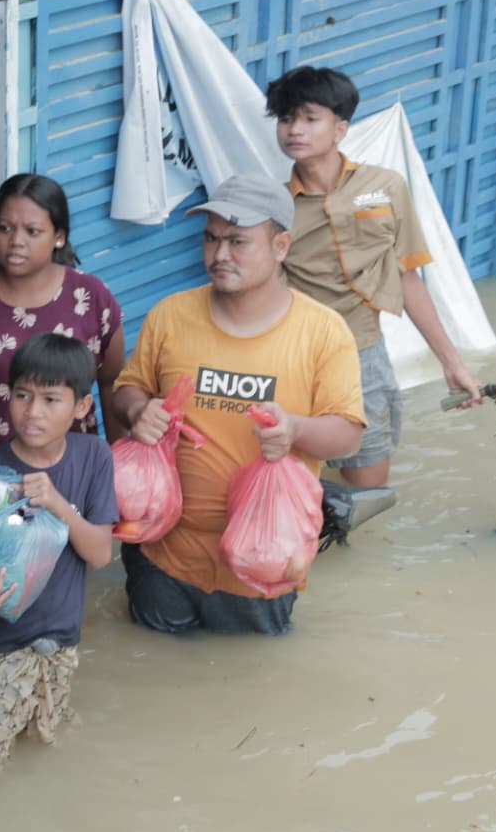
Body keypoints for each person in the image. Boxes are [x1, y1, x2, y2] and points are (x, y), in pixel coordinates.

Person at [112, 174, 366, 636]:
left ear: (281, 246)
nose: (219, 254)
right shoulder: (171, 316)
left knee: (250, 671)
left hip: (262, 562)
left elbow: (348, 435)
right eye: (211, 238)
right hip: (163, 553)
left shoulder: (323, 332)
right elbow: (128, 389)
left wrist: (295, 430)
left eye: (237, 241)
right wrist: (137, 411)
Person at [267, 66, 482, 489]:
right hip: (294, 360)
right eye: (286, 119)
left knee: (368, 489)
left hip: (363, 355)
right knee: (294, 484)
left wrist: (452, 363)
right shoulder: (273, 205)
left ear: (340, 128)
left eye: (310, 118)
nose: (295, 130)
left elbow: (407, 279)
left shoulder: (386, 187)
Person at [0, 333, 116, 780]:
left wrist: (56, 504)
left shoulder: (94, 456)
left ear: (81, 407)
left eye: (51, 399)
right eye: (22, 395)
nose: (32, 411)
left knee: (45, 741)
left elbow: (100, 555)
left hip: (59, 643)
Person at [0, 173, 125, 468]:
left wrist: (118, 460)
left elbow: (111, 381)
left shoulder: (90, 296)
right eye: (4, 228)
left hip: (72, 471)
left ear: (59, 237)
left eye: (32, 231)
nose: (16, 241)